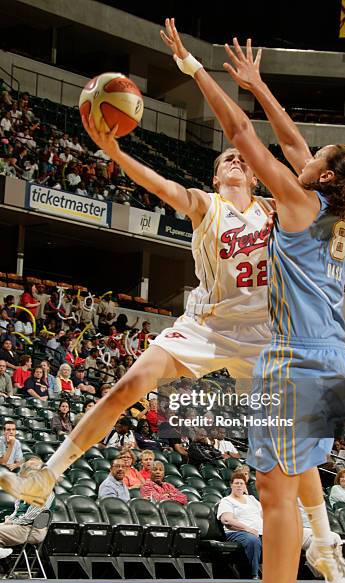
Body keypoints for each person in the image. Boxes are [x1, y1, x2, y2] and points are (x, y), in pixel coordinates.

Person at [159, 19, 345, 583]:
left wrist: (199, 72)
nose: (306, 156)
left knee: (273, 494)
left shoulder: (296, 202)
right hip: (331, 360)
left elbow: (242, 134)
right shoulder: (343, 216)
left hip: (294, 361)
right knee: (284, 484)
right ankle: (320, 550)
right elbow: (293, 144)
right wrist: (260, 85)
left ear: (328, 176)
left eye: (318, 158)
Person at [0, 40, 274, 513]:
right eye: (227, 157)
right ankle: (48, 475)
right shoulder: (207, 206)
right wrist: (116, 153)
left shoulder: (275, 210)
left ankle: (318, 535)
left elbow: (289, 153)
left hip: (262, 334)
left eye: (243, 159)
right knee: (124, 387)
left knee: (278, 444)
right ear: (214, 178)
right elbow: (162, 186)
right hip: (204, 327)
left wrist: (256, 87)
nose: (236, 159)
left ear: (256, 176)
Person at [0, 456, 54, 560]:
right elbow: (16, 511)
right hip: (20, 526)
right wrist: (10, 518)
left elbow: (30, 517)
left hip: (33, 530)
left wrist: (13, 521)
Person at [217, 472, 263, 579]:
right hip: (237, 532)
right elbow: (227, 520)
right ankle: (253, 575)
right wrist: (248, 529)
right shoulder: (226, 501)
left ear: (245, 486)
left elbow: (264, 515)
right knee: (253, 540)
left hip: (259, 531)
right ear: (231, 485)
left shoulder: (251, 499)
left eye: (241, 483)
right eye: (236, 483)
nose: (239, 485)